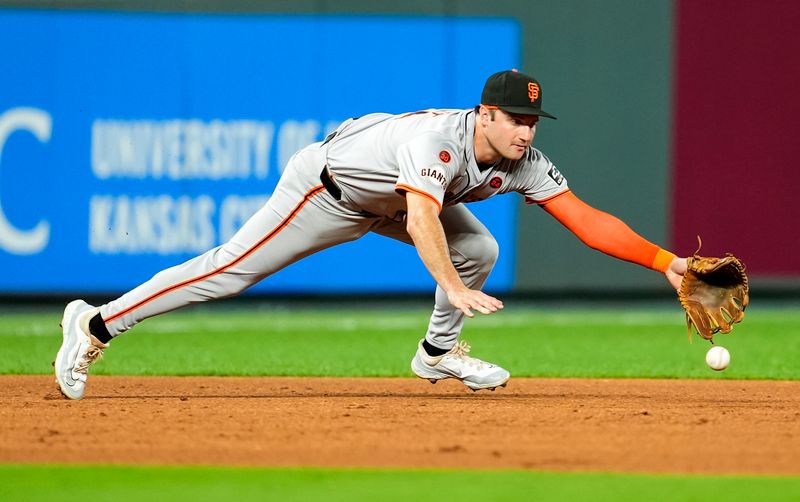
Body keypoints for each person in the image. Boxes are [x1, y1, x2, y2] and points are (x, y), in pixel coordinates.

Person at [54, 70, 688, 399]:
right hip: (328, 188)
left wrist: (668, 263)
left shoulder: (523, 161)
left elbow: (584, 218)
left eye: (533, 120)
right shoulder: (439, 141)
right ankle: (96, 324)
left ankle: (437, 355)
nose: (526, 131)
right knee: (229, 271)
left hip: (393, 195)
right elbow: (419, 217)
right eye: (515, 119)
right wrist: (449, 285)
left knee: (479, 248)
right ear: (485, 114)